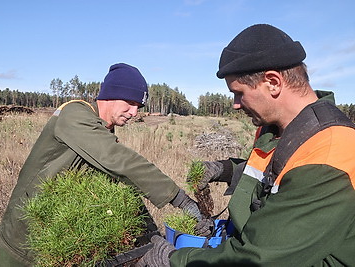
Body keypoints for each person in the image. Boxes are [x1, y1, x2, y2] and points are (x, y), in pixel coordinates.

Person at [137, 24, 355, 266]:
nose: (235, 105)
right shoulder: (278, 129)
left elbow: (258, 258)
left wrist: (174, 260)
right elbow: (275, 176)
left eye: (239, 93)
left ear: (273, 82)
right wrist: (226, 169)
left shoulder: (329, 153)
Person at [0, 63, 208, 266]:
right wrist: (179, 198)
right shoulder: (74, 115)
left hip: (61, 242)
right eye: (130, 103)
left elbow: (119, 187)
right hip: (22, 241)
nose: (134, 113)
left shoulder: (102, 130)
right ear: (111, 95)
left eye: (138, 106)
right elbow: (118, 159)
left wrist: (152, 235)